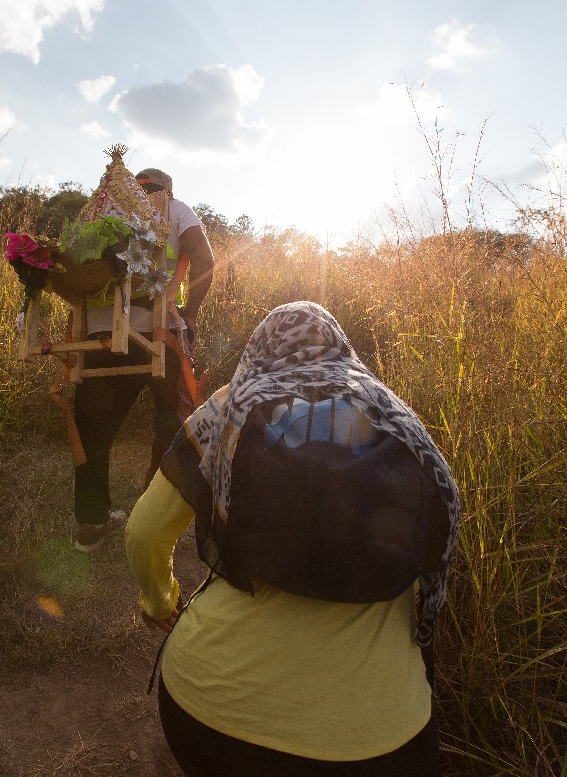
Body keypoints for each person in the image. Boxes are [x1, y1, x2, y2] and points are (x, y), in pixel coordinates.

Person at [125, 302, 461, 775]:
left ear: (259, 349)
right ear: (344, 349)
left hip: (210, 713)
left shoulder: (228, 409)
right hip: (380, 740)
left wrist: (159, 602)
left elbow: (143, 532)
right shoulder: (398, 419)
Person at [72, 167, 214, 553]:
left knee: (93, 425)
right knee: (171, 418)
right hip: (158, 332)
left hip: (99, 337)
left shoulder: (99, 216)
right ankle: (151, 517)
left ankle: (91, 522)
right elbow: (204, 260)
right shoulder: (172, 208)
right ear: (166, 189)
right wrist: (191, 313)